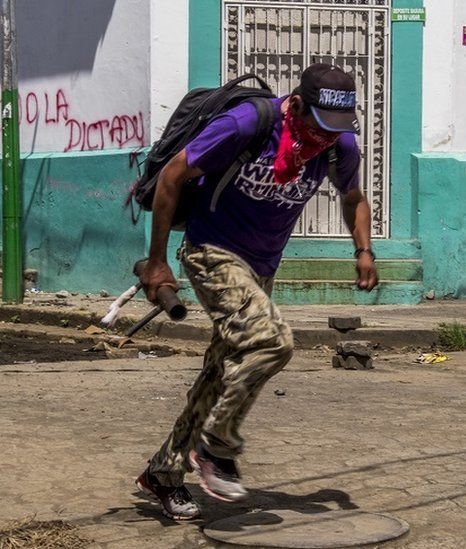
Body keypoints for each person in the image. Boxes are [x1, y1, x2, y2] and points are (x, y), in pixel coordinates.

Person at [135, 64, 378, 520]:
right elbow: (172, 176)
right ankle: (217, 447)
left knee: (220, 372)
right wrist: (157, 260)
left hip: (261, 266)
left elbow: (353, 196)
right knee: (271, 341)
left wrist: (363, 249)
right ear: (298, 105)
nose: (327, 139)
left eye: (337, 131)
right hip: (212, 251)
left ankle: (163, 473)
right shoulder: (249, 123)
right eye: (319, 127)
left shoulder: (337, 144)